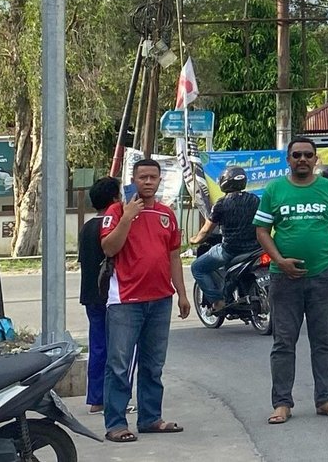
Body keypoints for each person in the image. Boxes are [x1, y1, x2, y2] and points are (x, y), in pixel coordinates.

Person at [255, 136, 328, 425]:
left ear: (315, 160)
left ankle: (325, 399)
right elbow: (262, 231)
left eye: (308, 155)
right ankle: (282, 404)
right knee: (283, 342)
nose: (302, 159)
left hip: (323, 277)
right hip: (283, 280)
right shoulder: (275, 190)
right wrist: (279, 261)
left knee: (323, 341)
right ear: (288, 160)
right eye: (297, 155)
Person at [99, 158, 190, 443]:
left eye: (153, 177)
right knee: (119, 364)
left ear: (160, 180)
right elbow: (108, 247)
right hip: (126, 300)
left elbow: (174, 255)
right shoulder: (116, 211)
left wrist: (182, 294)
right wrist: (127, 216)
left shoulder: (167, 215)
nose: (148, 182)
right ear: (133, 180)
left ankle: (151, 418)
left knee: (153, 364)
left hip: (161, 299)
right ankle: (116, 423)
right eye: (143, 177)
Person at [189, 166, 261, 312]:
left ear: (224, 183)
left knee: (197, 267)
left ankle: (217, 301)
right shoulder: (254, 200)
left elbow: (206, 230)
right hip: (255, 249)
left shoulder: (221, 204)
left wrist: (195, 240)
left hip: (230, 250)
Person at [78, 176, 119, 414]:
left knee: (98, 346)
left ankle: (95, 398)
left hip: (91, 294)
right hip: (111, 295)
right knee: (115, 348)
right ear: (114, 199)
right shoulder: (112, 226)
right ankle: (108, 398)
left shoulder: (86, 228)